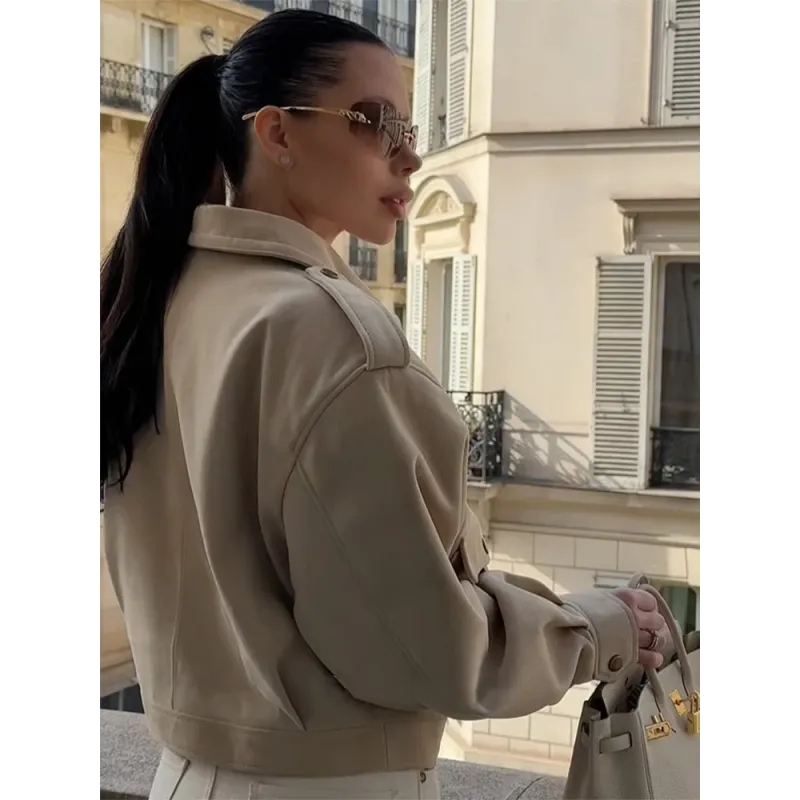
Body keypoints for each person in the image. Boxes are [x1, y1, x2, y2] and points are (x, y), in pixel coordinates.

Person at [99, 10, 668, 800]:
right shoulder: (330, 333)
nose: (411, 153)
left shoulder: (163, 300)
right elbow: (419, 647)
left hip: (186, 774)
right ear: (279, 133)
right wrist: (598, 626)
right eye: (377, 122)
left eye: (410, 126)